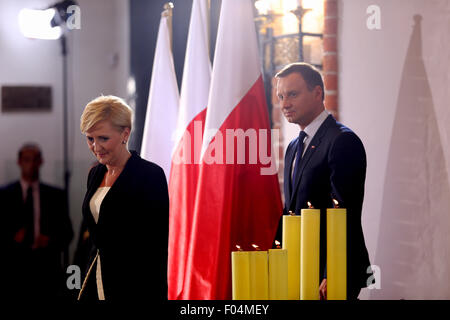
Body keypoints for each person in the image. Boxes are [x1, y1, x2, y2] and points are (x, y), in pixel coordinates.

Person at [274, 62, 371, 300]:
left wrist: (333, 270)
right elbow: (290, 210)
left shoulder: (342, 141)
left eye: (293, 94)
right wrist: (275, 259)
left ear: (318, 93)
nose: (284, 104)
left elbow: (345, 212)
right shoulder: (293, 147)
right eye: (281, 96)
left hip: (332, 271)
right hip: (299, 264)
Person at [77, 95, 169, 301]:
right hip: (96, 277)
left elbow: (157, 246)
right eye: (90, 139)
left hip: (134, 286)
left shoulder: (150, 175)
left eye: (103, 138)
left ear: (125, 134)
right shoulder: (95, 174)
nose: (95, 147)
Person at [0, 143, 73, 299]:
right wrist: (12, 238)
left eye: (35, 160)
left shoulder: (55, 196)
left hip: (46, 268)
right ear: (19, 162)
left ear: (41, 162)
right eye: (27, 160)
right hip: (14, 269)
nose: (31, 165)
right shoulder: (5, 195)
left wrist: (50, 240)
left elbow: (68, 233)